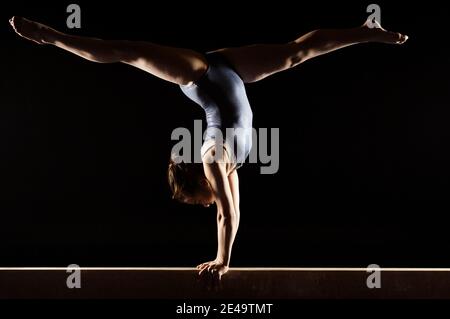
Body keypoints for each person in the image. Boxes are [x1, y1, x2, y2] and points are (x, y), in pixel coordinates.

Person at [9, 16, 408, 281]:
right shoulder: (228, 170)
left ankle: (54, 37)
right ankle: (365, 30)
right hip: (231, 71)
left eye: (195, 200)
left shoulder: (212, 159)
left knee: (128, 51)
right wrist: (226, 255)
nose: (204, 204)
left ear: (197, 179)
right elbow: (232, 213)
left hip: (198, 76)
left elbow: (225, 214)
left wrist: (223, 262)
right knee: (293, 54)